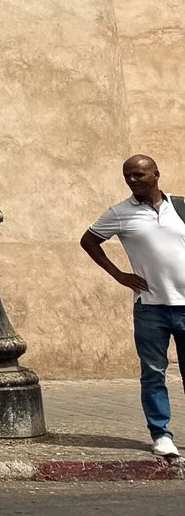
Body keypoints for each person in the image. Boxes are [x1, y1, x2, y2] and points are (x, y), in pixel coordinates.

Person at [81, 154, 185, 459]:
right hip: (150, 307)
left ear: (156, 174)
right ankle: (161, 433)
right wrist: (118, 274)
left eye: (139, 175)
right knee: (153, 372)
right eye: (128, 176)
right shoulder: (120, 213)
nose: (132, 180)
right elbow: (88, 241)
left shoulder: (180, 206)